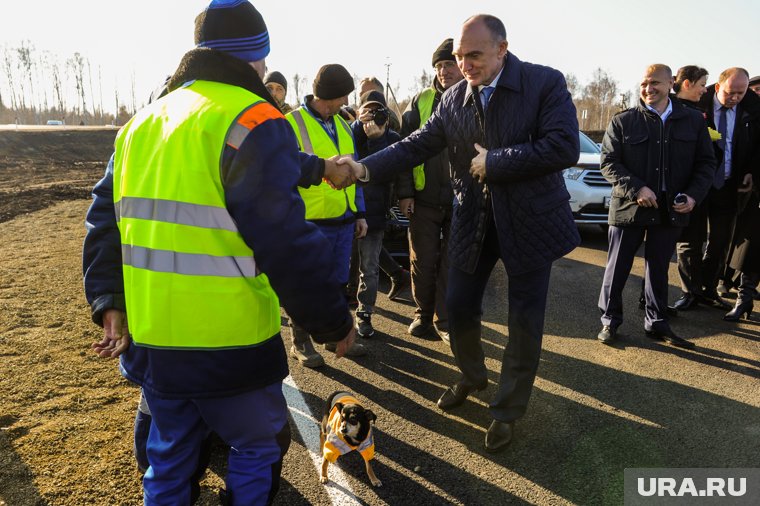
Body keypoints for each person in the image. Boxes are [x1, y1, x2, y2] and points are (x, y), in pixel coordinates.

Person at [82, 1, 356, 503]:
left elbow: (104, 221)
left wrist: (107, 300)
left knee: (167, 464)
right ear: (257, 56)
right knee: (255, 450)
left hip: (157, 340)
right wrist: (334, 321)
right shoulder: (253, 118)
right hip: (232, 344)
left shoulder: (142, 124)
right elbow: (285, 240)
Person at [339, 14, 581, 453]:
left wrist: (497, 162)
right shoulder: (452, 99)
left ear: (502, 49)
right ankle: (473, 375)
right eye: (459, 56)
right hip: (474, 219)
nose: (465, 64)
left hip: (530, 221)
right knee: (458, 304)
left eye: (475, 55)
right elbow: (415, 144)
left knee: (524, 322)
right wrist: (363, 168)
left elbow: (563, 145)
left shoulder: (544, 83)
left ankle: (507, 411)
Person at [597, 64, 715, 351]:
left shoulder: (693, 121)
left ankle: (657, 321)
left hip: (670, 210)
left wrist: (692, 196)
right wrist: (637, 187)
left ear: (671, 83)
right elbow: (608, 163)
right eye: (644, 84)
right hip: (628, 208)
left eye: (655, 84)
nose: (648, 89)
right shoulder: (623, 121)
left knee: (659, 268)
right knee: (617, 267)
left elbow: (706, 163)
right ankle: (610, 320)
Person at [284, 63, 368, 367]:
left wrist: (359, 212)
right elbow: (283, 171)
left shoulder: (345, 125)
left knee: (336, 282)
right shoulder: (291, 123)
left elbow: (356, 171)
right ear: (329, 95)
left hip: (343, 219)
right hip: (310, 219)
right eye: (343, 95)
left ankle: (332, 335)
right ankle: (301, 342)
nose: (346, 101)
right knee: (306, 282)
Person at [671, 68, 759, 311]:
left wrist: (752, 170)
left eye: (741, 93)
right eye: (731, 93)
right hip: (698, 184)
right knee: (691, 241)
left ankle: (708, 290)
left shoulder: (753, 108)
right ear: (718, 88)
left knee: (720, 241)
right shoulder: (697, 102)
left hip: (730, 185)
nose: (736, 98)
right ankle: (690, 292)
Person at [395, 38, 463, 343]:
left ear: (461, 65)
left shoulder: (476, 98)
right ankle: (422, 314)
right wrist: (405, 193)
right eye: (438, 66)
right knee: (422, 260)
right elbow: (404, 150)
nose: (443, 71)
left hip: (462, 199)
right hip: (423, 197)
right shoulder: (420, 102)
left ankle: (444, 319)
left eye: (449, 64)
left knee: (451, 260)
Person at [349, 90, 401, 337]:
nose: (372, 118)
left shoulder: (393, 139)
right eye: (366, 112)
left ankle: (364, 314)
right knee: (344, 266)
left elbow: (384, 170)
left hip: (374, 211)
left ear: (386, 116)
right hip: (346, 210)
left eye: (377, 112)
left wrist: (378, 140)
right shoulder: (350, 134)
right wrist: (358, 126)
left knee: (368, 268)